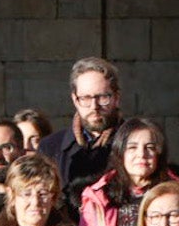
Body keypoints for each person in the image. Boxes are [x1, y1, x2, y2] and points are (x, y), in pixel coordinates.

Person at [40, 57, 125, 197]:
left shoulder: (134, 145)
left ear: (116, 98)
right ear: (75, 100)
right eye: (85, 98)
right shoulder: (50, 148)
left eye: (103, 97)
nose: (94, 106)